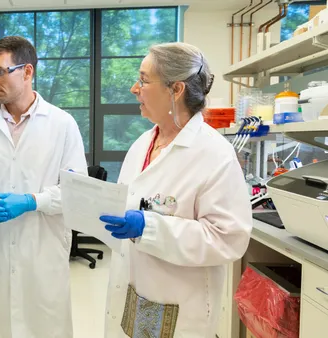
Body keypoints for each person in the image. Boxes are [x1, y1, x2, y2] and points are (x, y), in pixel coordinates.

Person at [100, 42, 252, 338]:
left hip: (178, 304)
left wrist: (149, 227)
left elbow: (228, 238)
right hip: (131, 290)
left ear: (176, 89)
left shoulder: (213, 153)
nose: (134, 88)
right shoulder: (142, 143)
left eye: (144, 80)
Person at [0, 36, 87, 338]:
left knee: (43, 328)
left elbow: (76, 193)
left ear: (27, 72)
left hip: (42, 257)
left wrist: (31, 201)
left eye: (0, 71)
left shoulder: (62, 125)